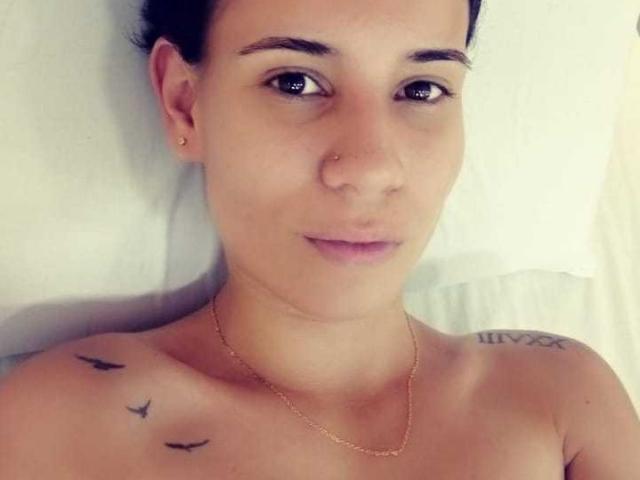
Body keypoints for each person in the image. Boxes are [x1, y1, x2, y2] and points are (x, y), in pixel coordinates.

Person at [1, 0, 639, 478]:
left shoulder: (561, 399)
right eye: (295, 82)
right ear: (185, 103)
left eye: (422, 89)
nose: (369, 169)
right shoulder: (63, 421)